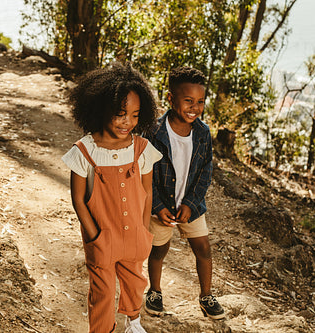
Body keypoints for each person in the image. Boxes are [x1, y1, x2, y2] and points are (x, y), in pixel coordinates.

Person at [62, 62, 162, 333]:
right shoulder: (84, 151)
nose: (127, 122)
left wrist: (143, 228)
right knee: (102, 293)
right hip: (102, 239)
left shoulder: (141, 149)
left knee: (135, 283)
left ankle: (133, 322)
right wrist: (95, 236)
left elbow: (147, 191)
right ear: (100, 109)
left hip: (135, 237)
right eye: (120, 114)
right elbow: (79, 200)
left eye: (134, 115)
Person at [143, 67, 225, 319]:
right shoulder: (154, 131)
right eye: (188, 100)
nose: (195, 107)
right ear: (170, 99)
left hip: (191, 205)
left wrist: (191, 202)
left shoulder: (202, 133)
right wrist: (157, 206)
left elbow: (205, 171)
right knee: (158, 250)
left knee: (203, 248)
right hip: (162, 206)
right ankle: (154, 292)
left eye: (200, 101)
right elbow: (145, 172)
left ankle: (206, 295)